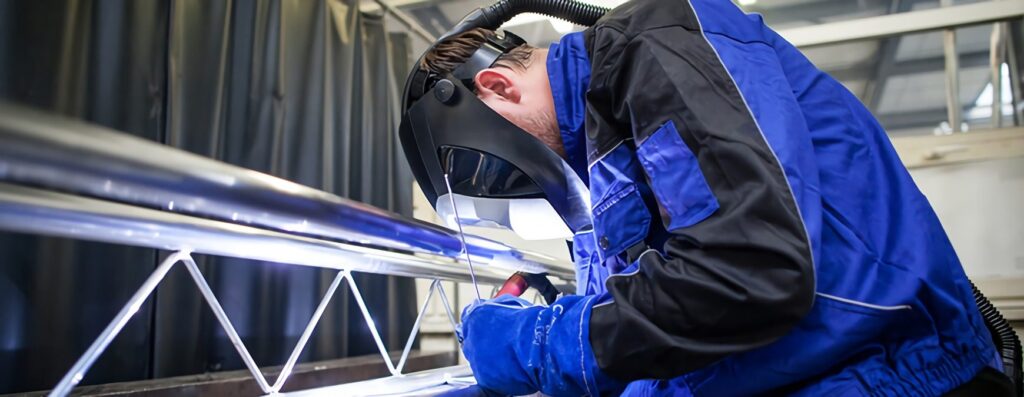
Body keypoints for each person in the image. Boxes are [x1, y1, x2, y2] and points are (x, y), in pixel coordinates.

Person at [418, 0, 1011, 395]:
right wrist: (557, 344)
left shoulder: (652, 51)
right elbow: (662, 331)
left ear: (496, 85)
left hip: (895, 378)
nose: (510, 185)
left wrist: (543, 344)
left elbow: (751, 269)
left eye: (484, 169)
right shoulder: (603, 149)